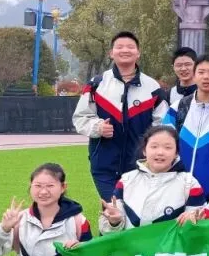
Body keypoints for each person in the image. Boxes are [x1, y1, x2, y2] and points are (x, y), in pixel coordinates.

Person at [72, 31, 168, 201]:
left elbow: (163, 125)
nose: (125, 50)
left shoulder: (152, 87)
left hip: (141, 165)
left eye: (130, 47)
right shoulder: (97, 84)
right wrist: (98, 127)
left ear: (138, 53)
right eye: (119, 47)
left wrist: (152, 150)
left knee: (136, 210)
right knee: (113, 208)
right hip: (104, 165)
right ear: (111, 53)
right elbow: (80, 117)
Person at [99, 126, 206, 232]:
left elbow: (201, 228)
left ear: (176, 153)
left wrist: (193, 220)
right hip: (132, 244)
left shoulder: (189, 184)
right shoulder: (126, 180)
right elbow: (108, 232)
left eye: (168, 147)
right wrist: (114, 222)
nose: (160, 152)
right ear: (144, 150)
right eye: (154, 146)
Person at [165, 53, 209, 199]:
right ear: (194, 76)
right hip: (176, 189)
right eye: (201, 72)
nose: (206, 77)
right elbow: (164, 144)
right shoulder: (178, 108)